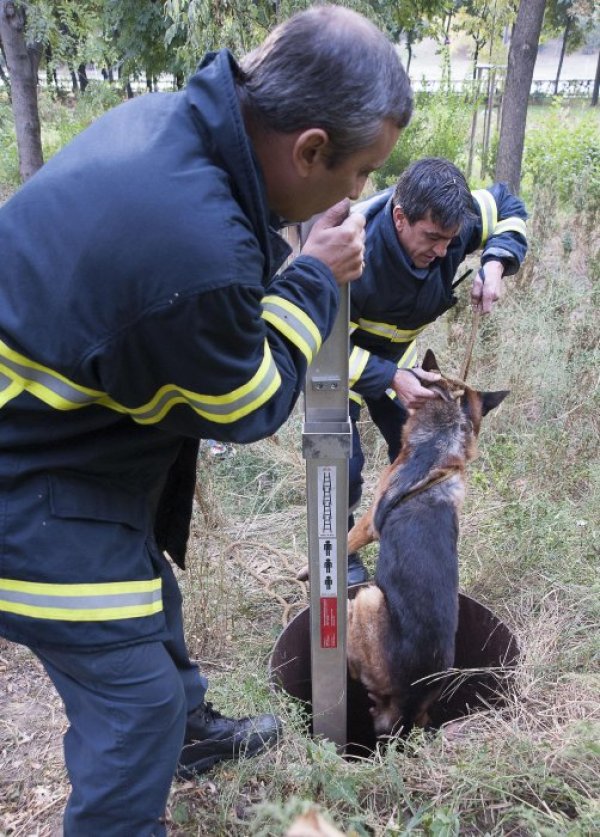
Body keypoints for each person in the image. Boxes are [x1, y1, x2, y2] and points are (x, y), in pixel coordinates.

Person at [0, 6, 412, 834]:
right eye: (363, 170)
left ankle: (190, 737)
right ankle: (152, 755)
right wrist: (311, 279)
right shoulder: (195, 251)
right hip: (28, 481)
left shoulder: (182, 128)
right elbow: (244, 402)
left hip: (68, 435)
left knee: (150, 597)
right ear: (310, 150)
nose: (362, 193)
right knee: (135, 701)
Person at [345, 157, 528, 584]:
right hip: (341, 366)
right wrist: (388, 377)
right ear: (400, 217)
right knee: (343, 464)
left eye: (451, 240)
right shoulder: (350, 250)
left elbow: (509, 206)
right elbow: (314, 345)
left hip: (401, 361)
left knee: (418, 450)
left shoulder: (453, 223)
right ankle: (342, 553)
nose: (444, 251)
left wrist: (497, 261)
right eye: (432, 238)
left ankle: (400, 538)